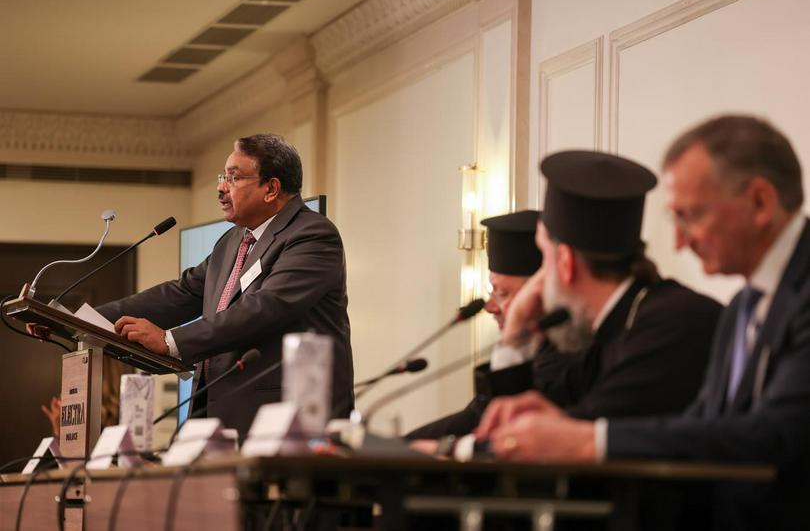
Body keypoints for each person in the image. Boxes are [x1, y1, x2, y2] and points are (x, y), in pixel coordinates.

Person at [479, 116, 810, 530]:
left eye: (690, 216)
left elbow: (776, 436)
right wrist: (570, 429)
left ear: (760, 202)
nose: (679, 242)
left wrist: (587, 440)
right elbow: (705, 428)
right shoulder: (745, 303)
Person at [413, 152, 722, 452]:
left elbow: (560, 441)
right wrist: (516, 330)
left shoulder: (669, 324)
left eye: (544, 256)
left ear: (564, 262)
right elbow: (518, 425)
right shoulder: (610, 327)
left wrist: (454, 450)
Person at [96, 133, 354, 439]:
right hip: (215, 415)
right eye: (223, 177)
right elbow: (182, 293)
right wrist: (86, 317)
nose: (220, 188)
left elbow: (265, 308)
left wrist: (170, 340)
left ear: (271, 188)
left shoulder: (312, 235)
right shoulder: (232, 242)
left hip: (284, 423)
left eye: (233, 178)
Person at [406, 210, 544, 439]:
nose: (489, 307)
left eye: (503, 293)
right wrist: (399, 448)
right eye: (492, 291)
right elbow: (474, 417)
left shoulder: (560, 362)